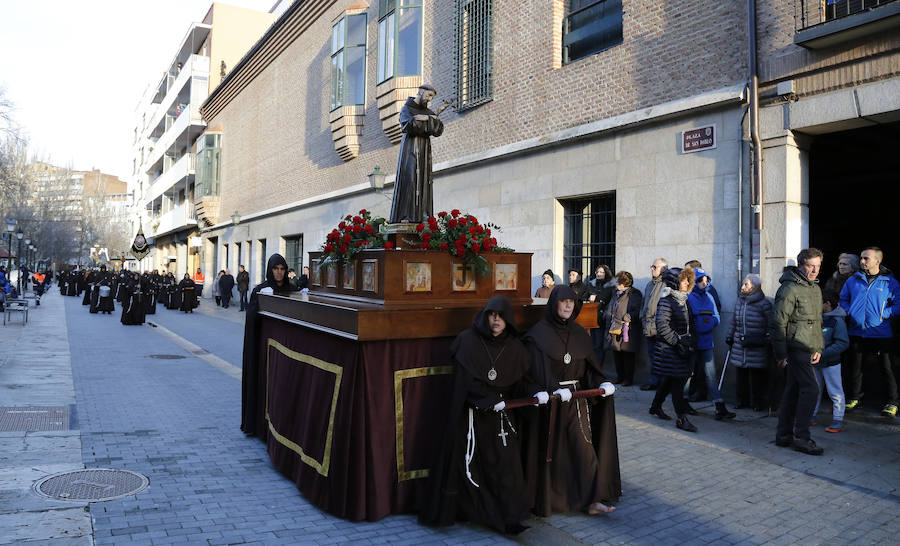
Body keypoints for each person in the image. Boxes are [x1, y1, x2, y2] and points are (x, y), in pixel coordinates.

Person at [419, 296, 546, 535]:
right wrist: (488, 399)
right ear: (485, 316)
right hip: (471, 417)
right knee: (471, 467)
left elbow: (521, 382)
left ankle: (509, 518)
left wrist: (537, 392)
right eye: (491, 314)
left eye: (500, 315)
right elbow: (462, 383)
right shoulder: (467, 342)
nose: (496, 319)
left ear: (508, 319)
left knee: (507, 467)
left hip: (501, 420)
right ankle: (473, 514)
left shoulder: (515, 348)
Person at [523, 285, 620, 517]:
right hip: (551, 403)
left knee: (584, 449)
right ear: (554, 303)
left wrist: (602, 382)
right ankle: (548, 502)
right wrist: (553, 389)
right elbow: (536, 371)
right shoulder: (538, 335)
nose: (568, 305)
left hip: (576, 403)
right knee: (553, 452)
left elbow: (589, 369)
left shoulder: (579, 334)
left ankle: (593, 499)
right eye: (563, 301)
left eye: (572, 302)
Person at [772, 248, 825, 456]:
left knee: (793, 389)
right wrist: (781, 355)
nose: (815, 270)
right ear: (801, 265)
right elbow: (777, 323)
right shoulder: (789, 289)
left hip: (808, 347)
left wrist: (819, 347)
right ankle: (802, 438)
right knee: (811, 389)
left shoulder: (814, 288)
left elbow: (817, 322)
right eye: (811, 265)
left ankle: (784, 435)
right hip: (795, 348)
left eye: (818, 266)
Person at [839, 247, 900, 417]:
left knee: (887, 368)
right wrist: (849, 310)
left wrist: (884, 314)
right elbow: (843, 299)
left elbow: (897, 305)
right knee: (856, 367)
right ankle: (855, 397)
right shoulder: (853, 280)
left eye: (866, 258)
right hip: (857, 331)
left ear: (877, 261)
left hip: (880, 333)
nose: (862, 261)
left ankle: (892, 401)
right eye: (861, 258)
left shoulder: (890, 282)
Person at [241, 254, 296, 436]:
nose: (279, 273)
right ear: (270, 270)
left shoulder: (292, 289)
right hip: (265, 347)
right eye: (276, 269)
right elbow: (251, 320)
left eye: (282, 269)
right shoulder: (260, 290)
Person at [649, 267, 699, 432]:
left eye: (688, 280)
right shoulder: (667, 300)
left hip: (681, 349)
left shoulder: (683, 299)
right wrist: (678, 341)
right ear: (675, 282)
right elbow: (662, 325)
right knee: (677, 383)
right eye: (683, 279)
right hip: (670, 350)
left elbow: (689, 324)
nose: (686, 283)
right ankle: (681, 418)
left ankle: (655, 406)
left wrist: (690, 341)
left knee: (669, 380)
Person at [389, 84, 445, 224]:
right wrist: (429, 120)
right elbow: (408, 126)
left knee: (424, 181)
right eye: (428, 95)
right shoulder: (406, 108)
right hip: (410, 149)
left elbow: (438, 130)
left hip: (424, 151)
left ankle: (423, 217)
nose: (429, 99)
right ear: (420, 92)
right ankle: (407, 216)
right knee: (411, 180)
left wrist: (427, 118)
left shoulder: (427, 112)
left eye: (431, 97)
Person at [687, 268, 735, 420]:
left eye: (706, 281)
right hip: (692, 342)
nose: (704, 283)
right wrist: (702, 321)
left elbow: (716, 317)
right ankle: (681, 402)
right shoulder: (689, 297)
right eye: (700, 280)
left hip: (706, 342)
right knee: (687, 373)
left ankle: (719, 407)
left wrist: (705, 322)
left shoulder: (709, 297)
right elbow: (688, 320)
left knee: (711, 375)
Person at [726, 274, 773, 412]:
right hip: (740, 345)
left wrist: (766, 339)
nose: (742, 287)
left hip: (756, 346)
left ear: (755, 287)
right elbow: (733, 321)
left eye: (746, 284)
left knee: (757, 377)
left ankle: (758, 403)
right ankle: (742, 401)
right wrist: (729, 336)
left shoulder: (764, 304)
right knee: (741, 376)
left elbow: (771, 324)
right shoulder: (739, 302)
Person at [814, 290, 849, 433]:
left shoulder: (837, 321)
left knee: (835, 391)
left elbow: (842, 343)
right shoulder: (817, 317)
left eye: (819, 302)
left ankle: (838, 420)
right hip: (815, 363)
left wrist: (822, 354)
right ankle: (811, 415)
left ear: (827, 304)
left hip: (831, 363)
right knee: (814, 390)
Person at [603, 271, 642, 386]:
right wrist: (607, 314)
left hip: (628, 330)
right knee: (617, 354)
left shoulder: (634, 294)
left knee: (627, 356)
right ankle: (620, 377)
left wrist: (627, 317)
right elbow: (611, 306)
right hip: (615, 328)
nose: (615, 283)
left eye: (617, 281)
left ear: (623, 283)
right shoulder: (615, 293)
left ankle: (628, 379)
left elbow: (637, 310)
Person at [640, 258, 668, 391]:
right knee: (652, 356)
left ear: (663, 269)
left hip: (660, 329)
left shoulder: (667, 285)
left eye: (655, 267)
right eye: (652, 266)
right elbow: (644, 304)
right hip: (648, 327)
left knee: (662, 357)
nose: (652, 269)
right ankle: (654, 381)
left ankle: (662, 384)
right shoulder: (649, 285)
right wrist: (642, 318)